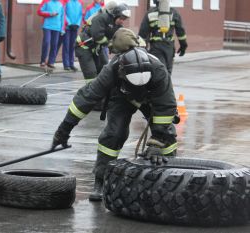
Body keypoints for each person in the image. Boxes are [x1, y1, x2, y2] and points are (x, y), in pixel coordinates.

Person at [51, 28, 178, 202]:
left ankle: (174, 175)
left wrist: (158, 140)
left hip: (150, 98)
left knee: (167, 133)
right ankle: (101, 181)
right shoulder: (111, 70)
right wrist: (63, 130)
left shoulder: (159, 71)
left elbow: (166, 107)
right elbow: (85, 100)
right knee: (114, 134)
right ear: (122, 72)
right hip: (122, 96)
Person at [75, 3, 131, 84]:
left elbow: (117, 40)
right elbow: (98, 36)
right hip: (84, 46)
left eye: (124, 19)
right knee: (91, 73)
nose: (122, 21)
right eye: (121, 18)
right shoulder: (101, 18)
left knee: (105, 69)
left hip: (97, 48)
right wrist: (110, 44)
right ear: (116, 15)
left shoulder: (118, 26)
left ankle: (102, 92)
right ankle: (90, 92)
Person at [138, 0, 187, 75]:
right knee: (168, 71)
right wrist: (183, 46)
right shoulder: (174, 13)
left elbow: (143, 34)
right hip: (169, 48)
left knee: (158, 71)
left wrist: (142, 50)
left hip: (155, 48)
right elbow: (181, 32)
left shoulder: (150, 13)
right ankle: (168, 85)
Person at [37, 0, 65, 69]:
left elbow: (62, 17)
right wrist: (50, 14)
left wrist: (62, 28)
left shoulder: (61, 3)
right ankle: (43, 61)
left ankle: (51, 62)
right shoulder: (46, 1)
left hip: (57, 27)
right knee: (46, 42)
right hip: (47, 26)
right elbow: (39, 11)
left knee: (54, 44)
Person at [62, 0, 83, 71]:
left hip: (75, 27)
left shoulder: (79, 3)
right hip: (68, 27)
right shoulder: (67, 2)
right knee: (66, 46)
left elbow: (80, 14)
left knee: (72, 46)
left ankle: (71, 64)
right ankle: (66, 64)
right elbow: (64, 13)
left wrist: (77, 24)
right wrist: (69, 23)